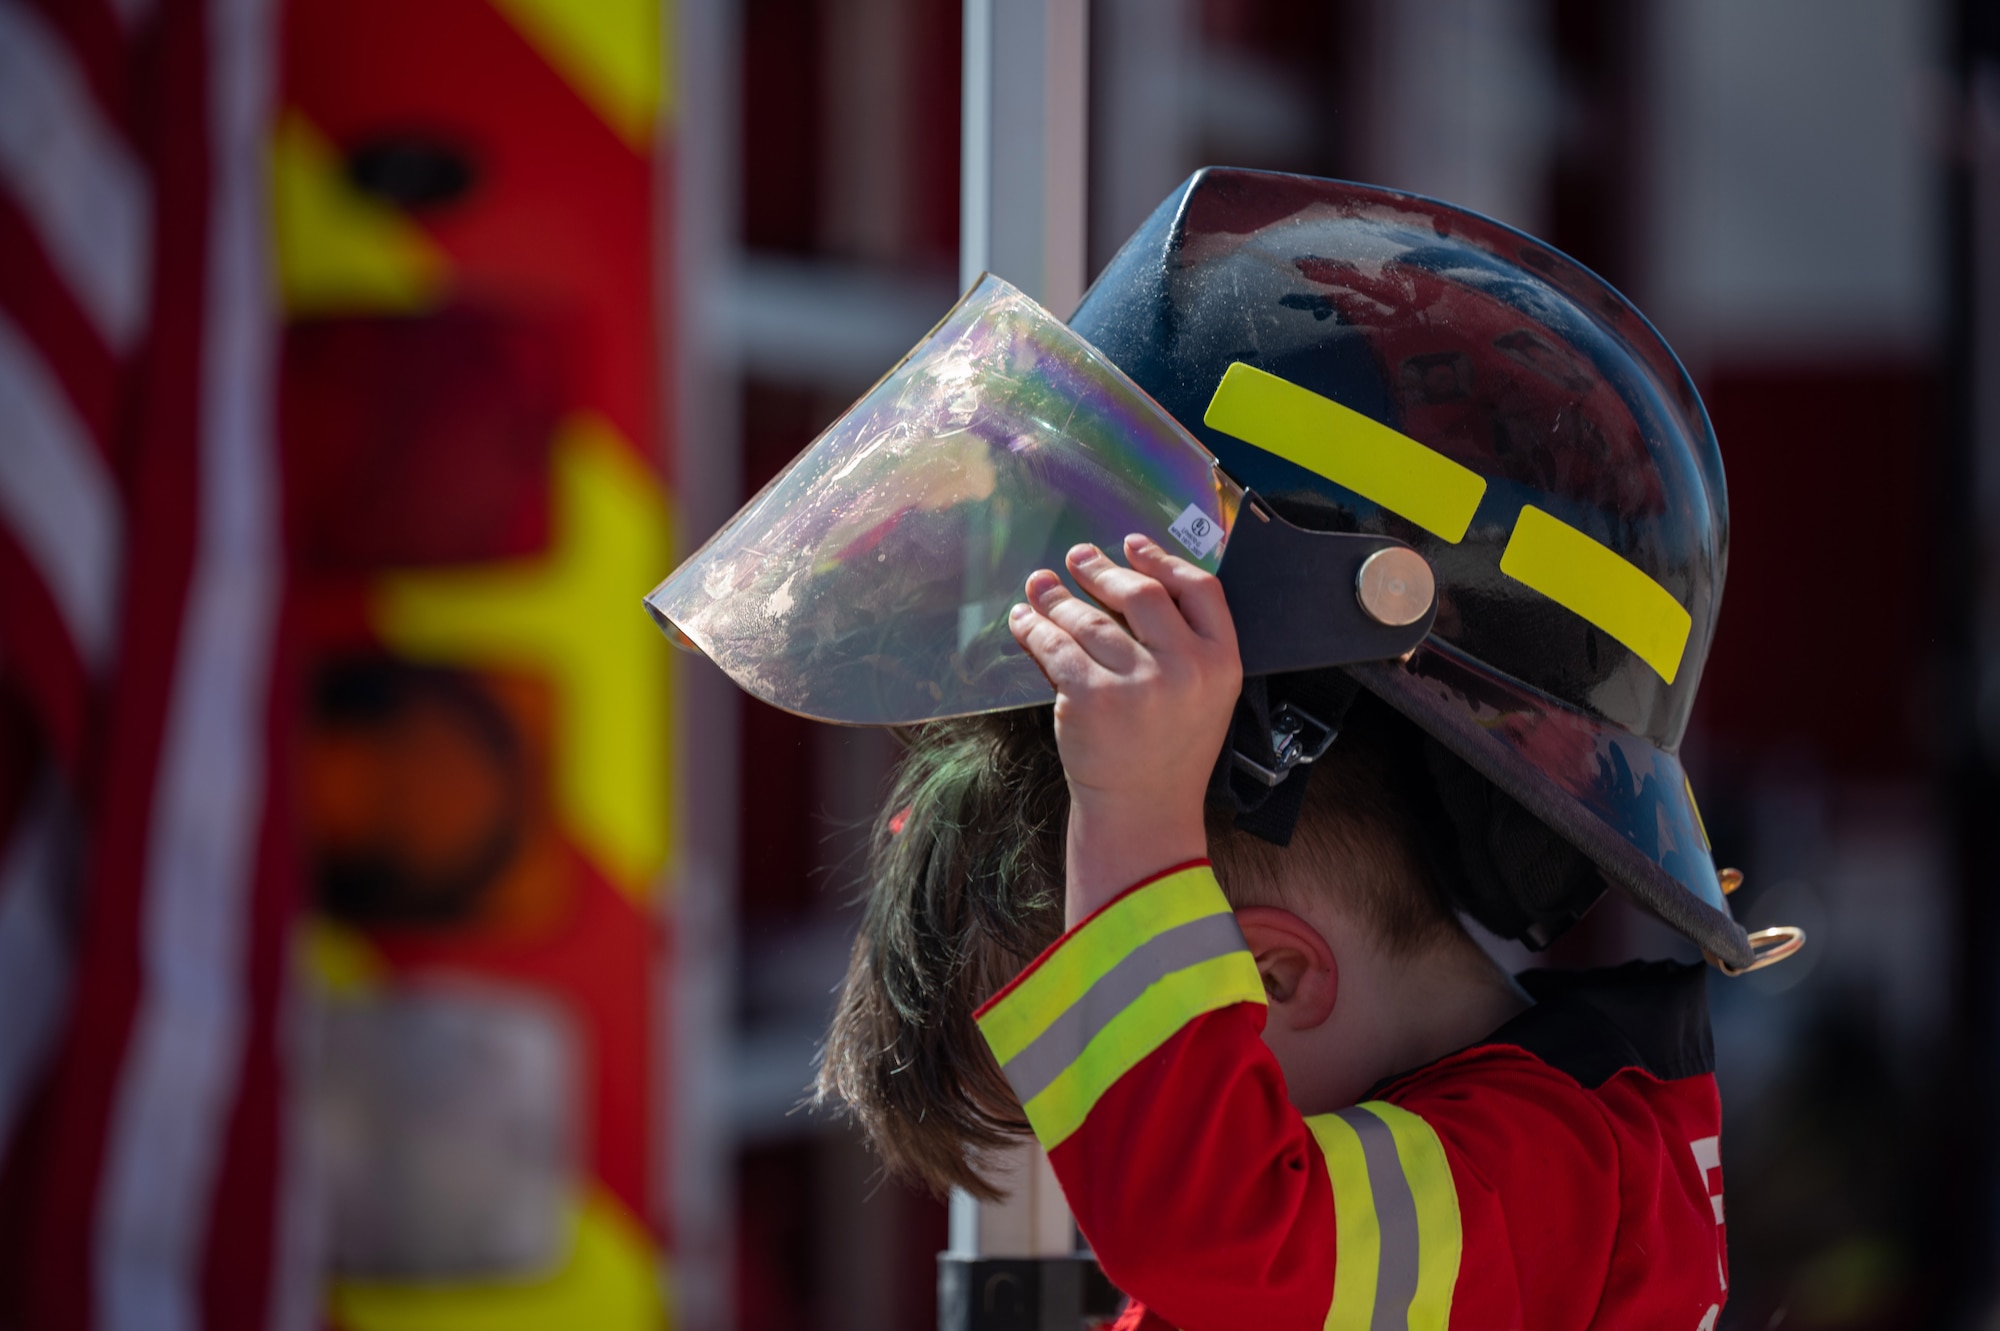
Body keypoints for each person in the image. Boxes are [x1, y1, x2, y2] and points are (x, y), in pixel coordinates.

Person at [801, 170, 1799, 1330]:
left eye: (1126, 1116)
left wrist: (1131, 806)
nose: (1100, 1220)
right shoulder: (1470, 1197)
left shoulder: (1551, 1181)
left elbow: (1213, 1238)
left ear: (1268, 980)